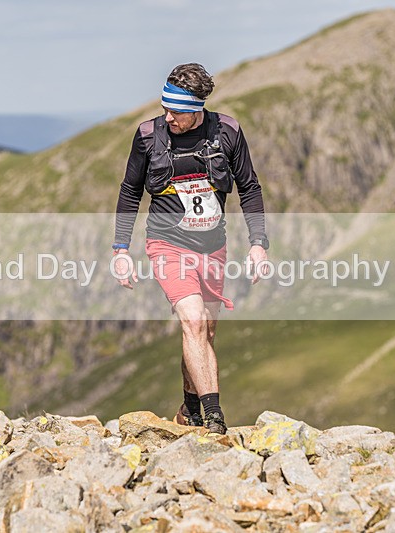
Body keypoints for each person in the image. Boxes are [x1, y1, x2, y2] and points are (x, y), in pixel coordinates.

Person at [112, 63, 269, 434]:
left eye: (177, 111)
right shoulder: (148, 135)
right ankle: (215, 419)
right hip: (166, 243)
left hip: (213, 246)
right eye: (164, 107)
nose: (168, 117)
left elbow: (249, 187)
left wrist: (258, 244)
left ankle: (190, 408)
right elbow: (130, 190)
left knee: (204, 333)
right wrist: (120, 250)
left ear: (198, 108)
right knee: (193, 320)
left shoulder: (227, 131)